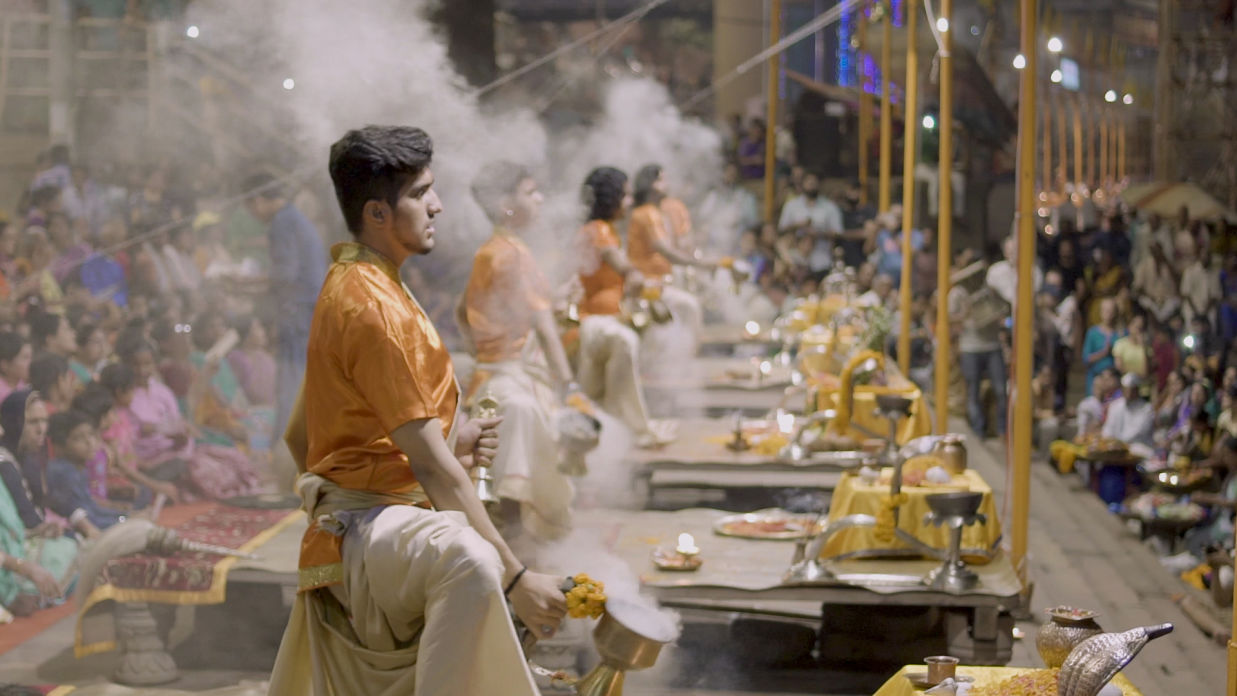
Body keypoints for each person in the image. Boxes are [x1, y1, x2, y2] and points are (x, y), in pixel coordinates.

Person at [269, 125, 565, 696]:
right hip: (365, 527)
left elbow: (300, 435)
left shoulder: (359, 283)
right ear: (378, 213)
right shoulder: (374, 307)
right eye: (421, 192)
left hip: (366, 518)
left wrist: (439, 445)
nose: (438, 204)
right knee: (473, 561)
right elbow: (428, 470)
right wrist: (518, 579)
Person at [459, 162, 576, 540]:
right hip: (510, 376)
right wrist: (570, 385)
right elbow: (541, 323)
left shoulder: (494, 248)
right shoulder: (511, 253)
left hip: (492, 372)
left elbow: (465, 314)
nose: (540, 198)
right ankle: (517, 552)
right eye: (530, 191)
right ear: (506, 205)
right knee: (525, 429)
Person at [572, 166, 675, 447]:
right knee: (624, 340)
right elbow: (626, 269)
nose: (630, 202)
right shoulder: (598, 231)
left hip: (607, 316)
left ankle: (623, 423)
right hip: (591, 319)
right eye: (625, 195)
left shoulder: (604, 230)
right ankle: (636, 428)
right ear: (611, 198)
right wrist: (639, 282)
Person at [243, 173, 328, 441]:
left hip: (298, 312)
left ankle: (284, 451)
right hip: (310, 310)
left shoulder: (282, 222)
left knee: (290, 383)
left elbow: (285, 275)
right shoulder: (295, 217)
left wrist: (243, 281)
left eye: (250, 207)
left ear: (257, 200)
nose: (253, 214)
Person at [627, 165, 716, 346]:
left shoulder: (653, 212)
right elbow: (665, 251)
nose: (667, 184)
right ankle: (686, 361)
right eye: (662, 179)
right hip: (648, 283)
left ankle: (677, 359)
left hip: (658, 281)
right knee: (690, 307)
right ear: (651, 185)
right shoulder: (647, 213)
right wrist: (701, 263)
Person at [948, 260, 1006, 439]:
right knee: (973, 390)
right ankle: (978, 430)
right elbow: (949, 318)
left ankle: (1002, 430)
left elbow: (1005, 311)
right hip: (970, 347)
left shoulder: (990, 291)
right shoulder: (957, 293)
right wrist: (965, 313)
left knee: (1000, 389)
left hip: (992, 345)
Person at [44, 410, 128, 533]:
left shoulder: (78, 469)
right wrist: (126, 520)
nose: (89, 442)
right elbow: (87, 520)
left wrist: (125, 516)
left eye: (91, 435)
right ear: (59, 447)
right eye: (78, 438)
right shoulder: (63, 472)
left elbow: (92, 508)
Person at [777, 173, 842, 271]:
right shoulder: (791, 205)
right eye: (809, 182)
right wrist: (798, 225)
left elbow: (838, 232)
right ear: (803, 184)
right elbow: (781, 229)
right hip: (796, 252)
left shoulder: (830, 207)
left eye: (814, 183)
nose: (812, 185)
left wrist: (819, 233)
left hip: (821, 253)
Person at [1133, 240, 1181, 326]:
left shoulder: (1168, 264)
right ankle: (1154, 329)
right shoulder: (1144, 264)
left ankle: (1166, 331)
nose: (1156, 252)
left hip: (1167, 299)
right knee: (1147, 303)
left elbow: (1177, 282)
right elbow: (1138, 287)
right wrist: (1150, 296)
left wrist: (1166, 262)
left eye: (1158, 250)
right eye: (1154, 250)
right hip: (1150, 299)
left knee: (1175, 303)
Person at [1082, 298, 1123, 397]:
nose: (1108, 314)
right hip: (1096, 380)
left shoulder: (1121, 334)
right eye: (1105, 311)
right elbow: (1086, 358)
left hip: (1114, 381)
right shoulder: (1092, 333)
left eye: (1111, 311)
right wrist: (1104, 352)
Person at [1102, 374, 1155, 448]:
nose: (1128, 393)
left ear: (1136, 390)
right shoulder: (1115, 406)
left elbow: (1139, 432)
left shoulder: (1146, 408)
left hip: (1138, 446)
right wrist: (1109, 440)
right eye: (1126, 390)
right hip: (1115, 447)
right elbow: (1108, 428)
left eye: (1131, 390)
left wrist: (1121, 443)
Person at [1113, 312, 1152, 380]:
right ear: (1129, 326)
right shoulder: (1120, 344)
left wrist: (1143, 348)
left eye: (1141, 328)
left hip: (1143, 382)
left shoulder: (1147, 348)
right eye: (1136, 327)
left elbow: (1147, 371)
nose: (1138, 331)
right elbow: (1119, 367)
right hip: (1126, 381)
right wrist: (1135, 375)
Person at [0, 334, 31, 405]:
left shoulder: (25, 386)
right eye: (25, 358)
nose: (31, 363)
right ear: (4, 364)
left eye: (31, 357)